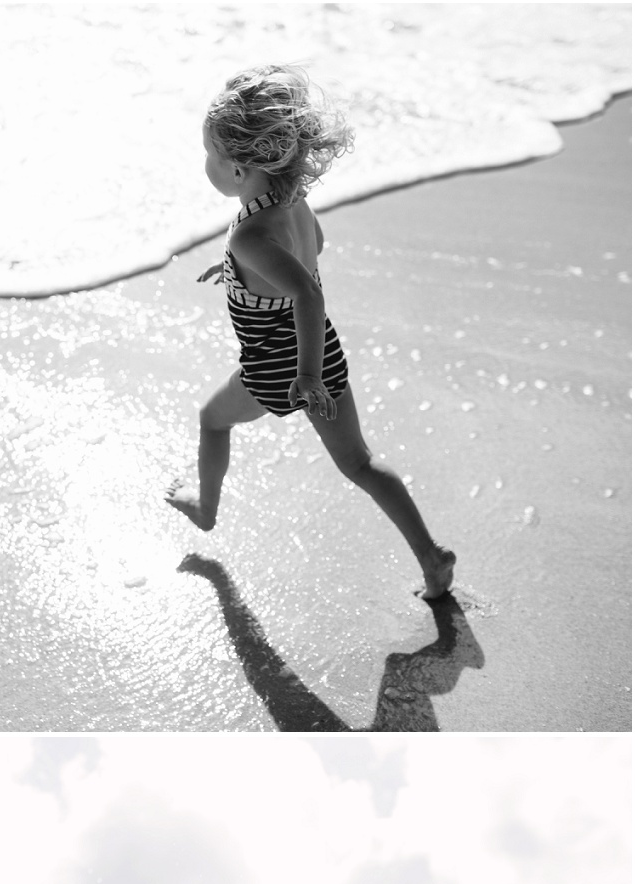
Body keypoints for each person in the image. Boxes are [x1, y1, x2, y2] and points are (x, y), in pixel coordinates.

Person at [165, 64, 456, 603]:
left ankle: (205, 509)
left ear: (237, 169)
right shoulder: (292, 206)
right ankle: (431, 555)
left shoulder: (251, 235)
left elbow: (305, 291)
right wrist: (235, 272)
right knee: (360, 462)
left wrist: (301, 374)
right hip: (325, 353)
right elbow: (310, 250)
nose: (205, 162)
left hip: (282, 369)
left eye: (209, 153)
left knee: (212, 421)